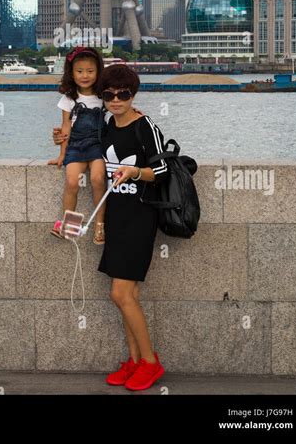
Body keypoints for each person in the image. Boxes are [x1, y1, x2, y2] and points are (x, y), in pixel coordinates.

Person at [97, 64, 168, 391]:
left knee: (120, 293)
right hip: (116, 215)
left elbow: (163, 168)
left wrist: (135, 173)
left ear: (133, 94)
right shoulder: (107, 125)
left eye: (122, 94)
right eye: (109, 94)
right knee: (128, 296)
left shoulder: (145, 125)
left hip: (140, 216)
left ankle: (151, 363)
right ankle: (136, 359)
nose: (115, 100)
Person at [47, 46, 109, 245]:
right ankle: (70, 227)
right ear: (71, 74)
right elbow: (66, 128)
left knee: (98, 179)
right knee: (72, 182)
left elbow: (118, 113)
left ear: (98, 72)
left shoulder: (103, 97)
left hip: (97, 146)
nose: (85, 76)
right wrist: (61, 155)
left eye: (90, 71)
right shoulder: (68, 99)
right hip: (75, 146)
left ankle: (100, 224)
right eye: (79, 71)